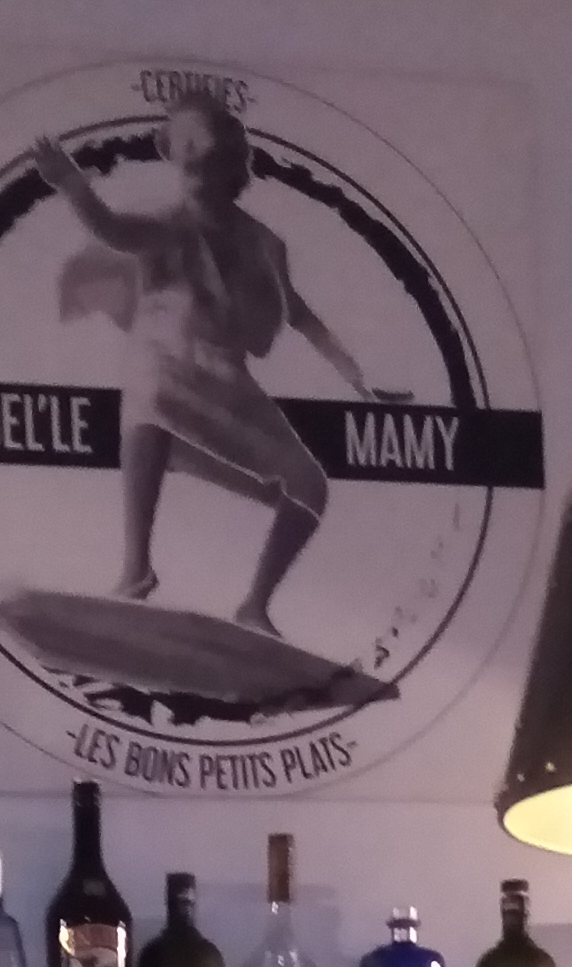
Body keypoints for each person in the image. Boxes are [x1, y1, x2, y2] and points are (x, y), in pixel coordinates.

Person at [31, 97, 370, 635]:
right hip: (164, 359)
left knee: (310, 485)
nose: (186, 152)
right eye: (178, 144)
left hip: (225, 375)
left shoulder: (264, 242)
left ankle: (255, 605)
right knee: (150, 397)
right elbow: (113, 229)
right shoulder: (168, 223)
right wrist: (72, 184)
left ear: (227, 154)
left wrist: (356, 376)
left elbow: (299, 314)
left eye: (197, 140)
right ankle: (136, 570)